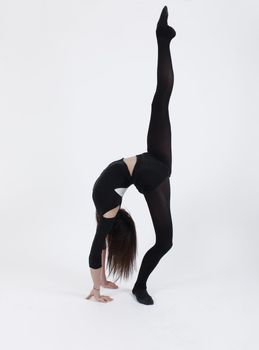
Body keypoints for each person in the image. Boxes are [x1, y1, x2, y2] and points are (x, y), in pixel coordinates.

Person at [86, 5, 176, 305]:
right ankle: (162, 40)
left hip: (152, 172)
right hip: (150, 158)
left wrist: (96, 290)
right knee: (160, 100)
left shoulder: (108, 213)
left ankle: (139, 287)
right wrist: (103, 280)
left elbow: (96, 248)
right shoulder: (101, 204)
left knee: (165, 241)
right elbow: (100, 245)